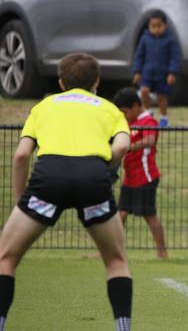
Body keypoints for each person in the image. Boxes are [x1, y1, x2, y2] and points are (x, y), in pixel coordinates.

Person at [0, 53, 133, 330]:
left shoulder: (44, 106)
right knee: (116, 261)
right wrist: (104, 168)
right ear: (96, 81)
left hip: (48, 179)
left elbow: (21, 156)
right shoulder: (109, 109)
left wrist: (20, 203)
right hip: (93, 180)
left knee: (6, 259)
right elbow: (121, 147)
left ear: (61, 82)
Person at [113, 87, 168, 259]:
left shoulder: (148, 121)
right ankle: (112, 252)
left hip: (146, 176)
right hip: (130, 178)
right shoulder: (128, 123)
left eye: (125, 112)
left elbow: (150, 140)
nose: (124, 116)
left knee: (149, 216)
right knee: (120, 215)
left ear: (136, 106)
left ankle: (162, 254)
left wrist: (129, 146)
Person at [132, 10, 181, 127]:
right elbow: (139, 56)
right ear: (148, 26)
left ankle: (164, 117)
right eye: (153, 26)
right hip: (147, 73)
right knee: (144, 91)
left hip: (162, 74)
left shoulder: (170, 40)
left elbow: (175, 57)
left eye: (159, 26)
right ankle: (148, 112)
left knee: (161, 97)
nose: (156, 29)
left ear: (165, 25)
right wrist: (137, 71)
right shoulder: (145, 39)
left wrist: (172, 72)